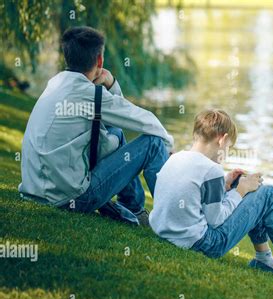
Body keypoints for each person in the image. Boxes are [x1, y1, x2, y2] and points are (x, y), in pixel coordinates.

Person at [19, 26, 173, 226]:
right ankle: (170, 223)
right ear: (99, 60)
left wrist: (109, 84)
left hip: (36, 191)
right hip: (71, 200)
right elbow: (139, 118)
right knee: (153, 142)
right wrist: (168, 143)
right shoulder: (89, 94)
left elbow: (117, 118)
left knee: (115, 131)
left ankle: (133, 208)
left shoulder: (56, 83)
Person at [149, 109, 273, 285]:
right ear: (222, 139)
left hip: (166, 233)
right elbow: (216, 220)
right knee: (268, 194)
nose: (227, 152)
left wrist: (226, 185)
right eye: (229, 147)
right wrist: (240, 191)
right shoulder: (211, 169)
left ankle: (264, 260)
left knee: (255, 195)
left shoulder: (176, 158)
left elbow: (195, 199)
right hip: (204, 244)